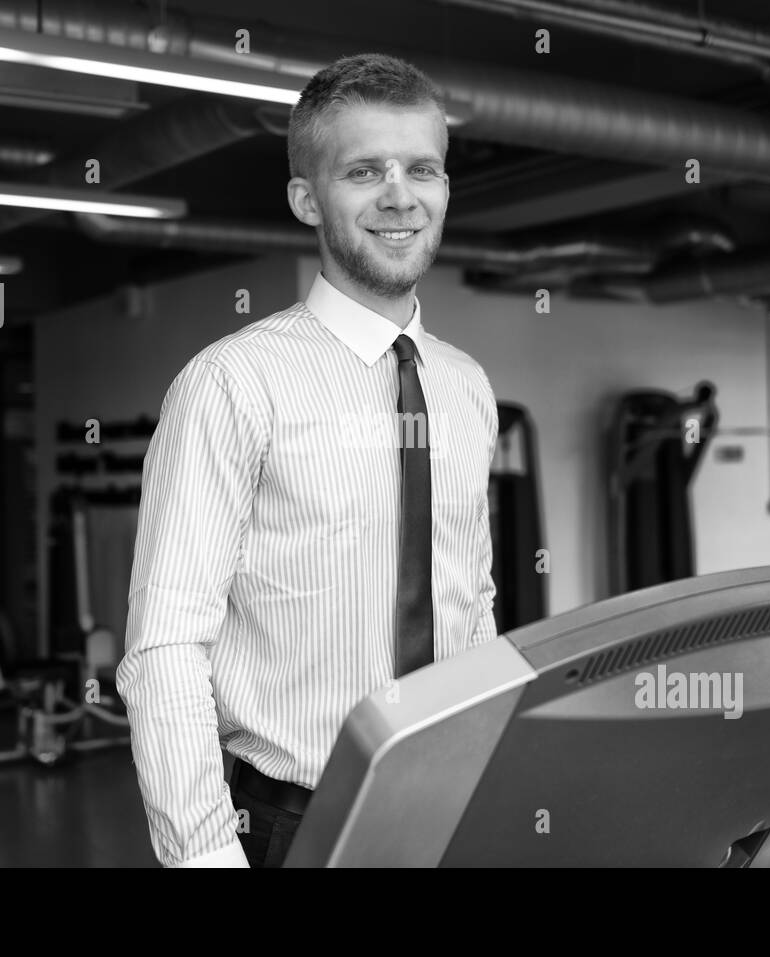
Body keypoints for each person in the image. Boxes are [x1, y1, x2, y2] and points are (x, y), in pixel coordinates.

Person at [116, 52, 499, 868]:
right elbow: (165, 647)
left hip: (457, 804)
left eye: (423, 169)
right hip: (294, 825)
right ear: (305, 198)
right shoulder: (233, 384)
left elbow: (471, 599)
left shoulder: (465, 388)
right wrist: (207, 857)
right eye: (364, 170)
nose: (400, 195)